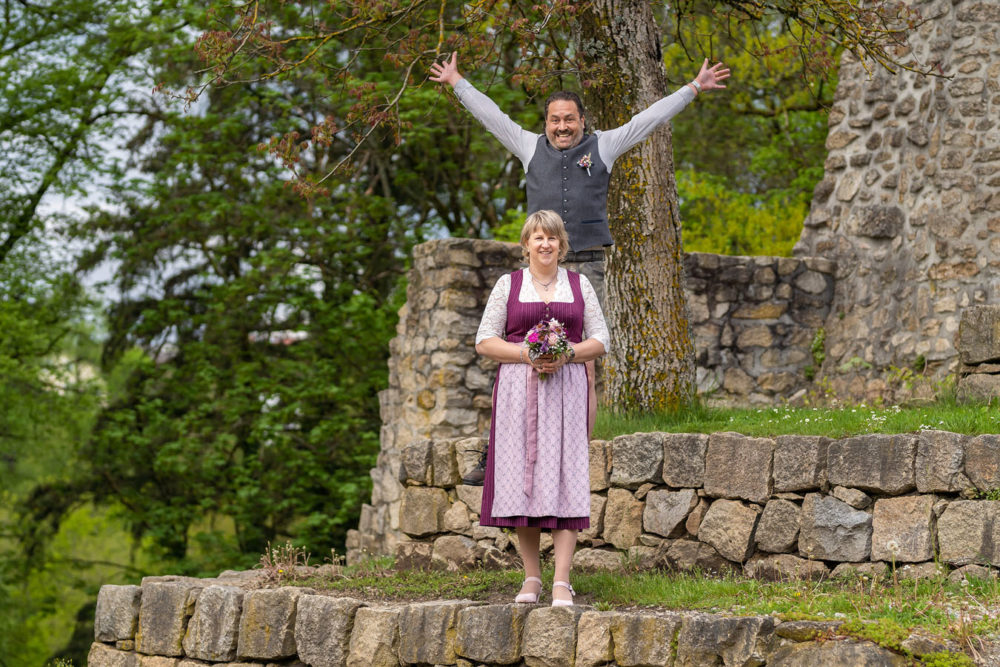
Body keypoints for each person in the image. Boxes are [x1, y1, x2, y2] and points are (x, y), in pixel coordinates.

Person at [431, 52, 729, 484]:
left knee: (582, 361)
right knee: (520, 355)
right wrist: (457, 81)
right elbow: (490, 115)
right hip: (539, 269)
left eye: (569, 119)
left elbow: (648, 120)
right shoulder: (527, 145)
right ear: (546, 122)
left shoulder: (603, 146)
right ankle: (496, 449)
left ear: (582, 121)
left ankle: (575, 451)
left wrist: (693, 88)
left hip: (587, 267)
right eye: (555, 120)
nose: (562, 127)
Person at [475, 210, 609, 606]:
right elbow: (485, 340)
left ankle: (562, 581)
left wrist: (567, 352)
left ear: (561, 245)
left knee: (566, 478)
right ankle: (532, 577)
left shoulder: (579, 284)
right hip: (518, 393)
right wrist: (526, 353)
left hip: (567, 393)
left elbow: (601, 338)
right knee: (522, 481)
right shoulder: (508, 285)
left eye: (552, 237)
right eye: (537, 237)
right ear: (526, 245)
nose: (545, 244)